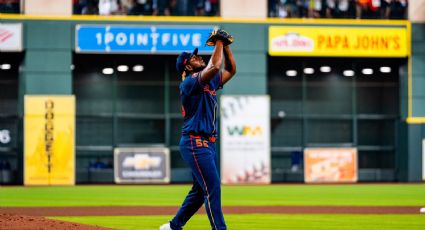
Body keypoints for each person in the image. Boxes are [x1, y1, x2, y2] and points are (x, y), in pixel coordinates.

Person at [159, 30, 236, 230]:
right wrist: (219, 41)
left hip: (207, 144)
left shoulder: (207, 80)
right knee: (212, 189)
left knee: (200, 191)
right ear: (187, 66)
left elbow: (231, 70)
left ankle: (173, 226)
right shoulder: (189, 82)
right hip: (195, 142)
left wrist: (225, 46)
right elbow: (215, 65)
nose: (198, 57)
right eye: (193, 57)